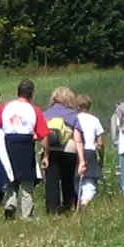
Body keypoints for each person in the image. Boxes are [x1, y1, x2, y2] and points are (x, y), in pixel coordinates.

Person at [0, 80, 47, 219]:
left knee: (11, 177)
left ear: (18, 91)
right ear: (31, 93)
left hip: (8, 143)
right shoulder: (34, 109)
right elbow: (44, 134)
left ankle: (10, 204)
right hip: (26, 144)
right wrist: (46, 154)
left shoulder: (5, 107)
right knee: (27, 181)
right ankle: (27, 215)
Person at [40, 86, 87, 215]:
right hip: (69, 150)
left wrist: (45, 153)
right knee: (68, 179)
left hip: (51, 150)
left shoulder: (46, 114)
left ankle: (52, 209)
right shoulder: (73, 115)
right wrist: (82, 159)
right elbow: (78, 138)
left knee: (51, 181)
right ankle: (69, 205)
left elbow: (42, 134)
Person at [74, 94, 105, 209]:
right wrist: (101, 158)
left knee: (76, 179)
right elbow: (100, 143)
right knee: (90, 180)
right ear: (89, 106)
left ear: (76, 106)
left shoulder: (74, 119)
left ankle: (79, 199)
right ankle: (85, 201)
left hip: (75, 150)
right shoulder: (95, 120)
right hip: (90, 151)